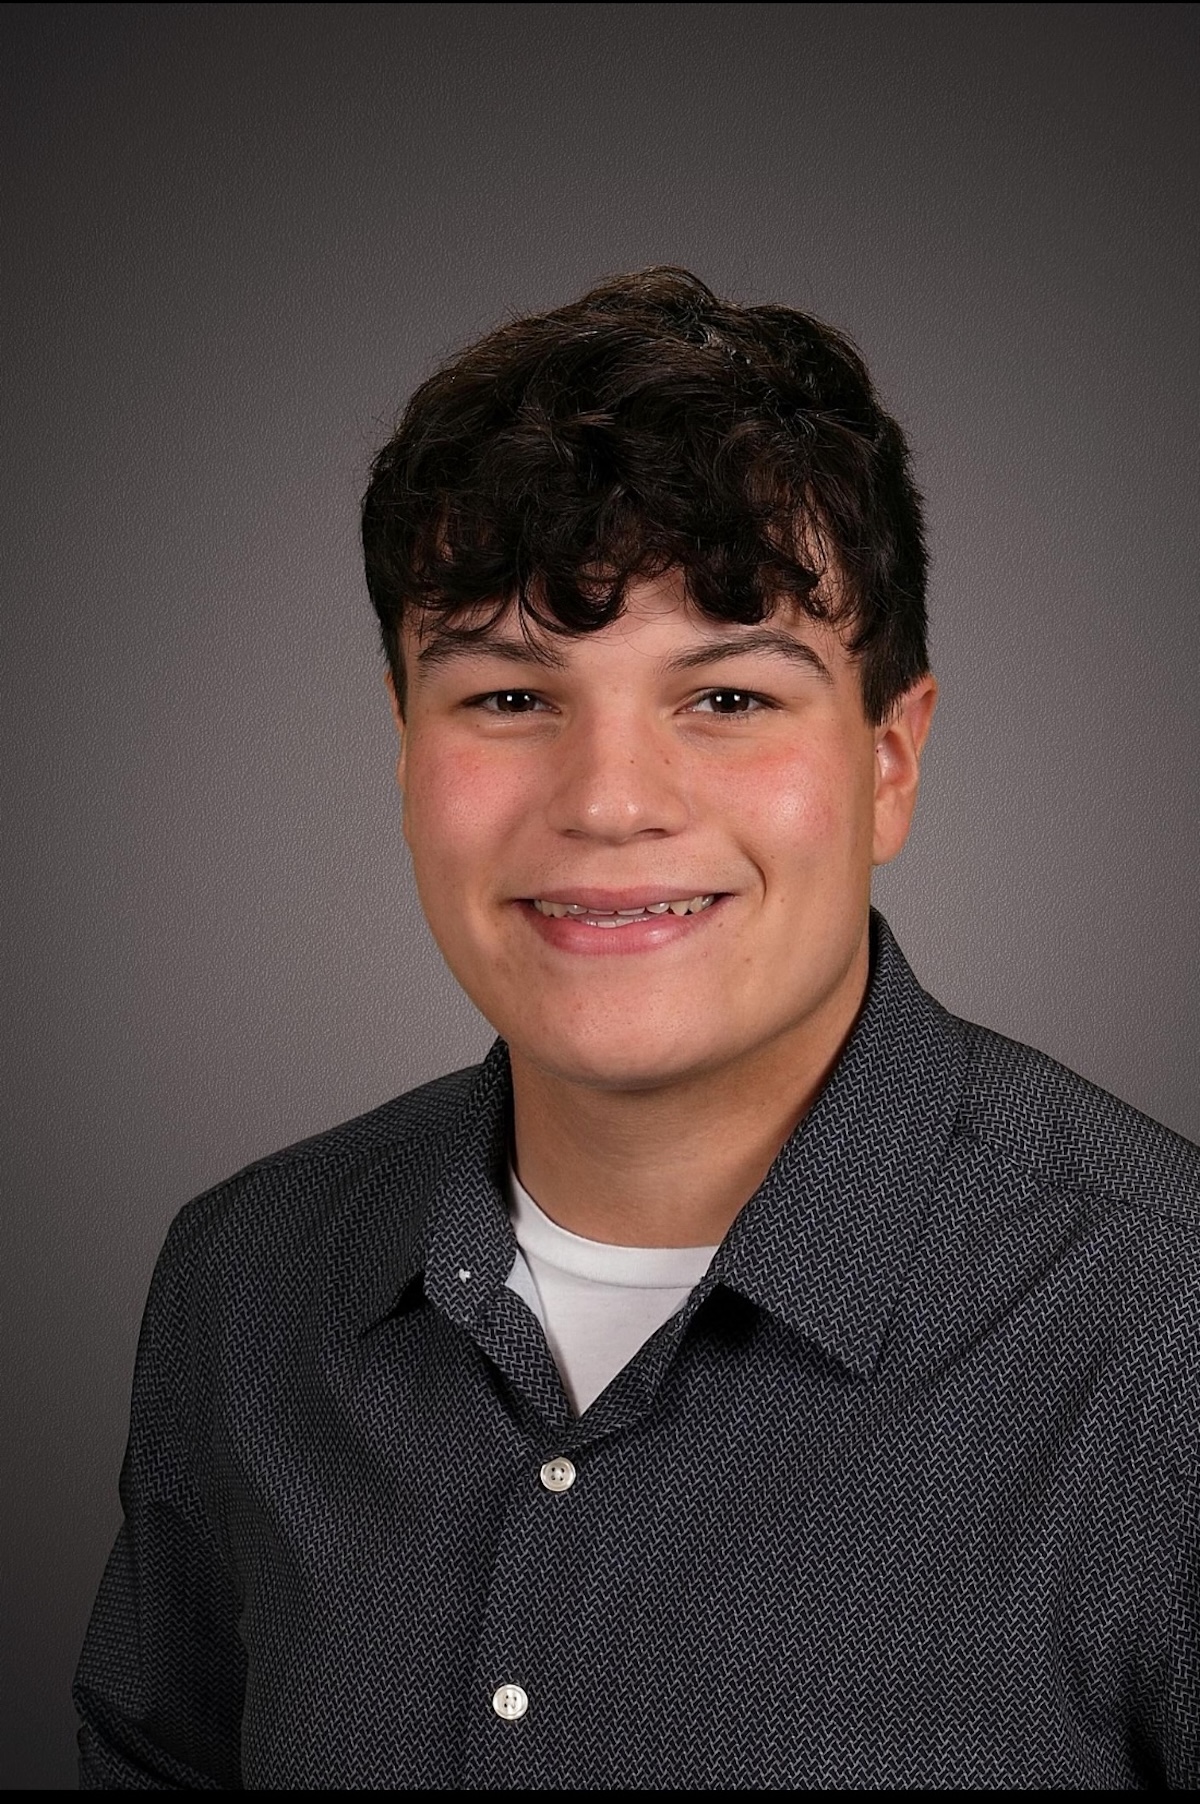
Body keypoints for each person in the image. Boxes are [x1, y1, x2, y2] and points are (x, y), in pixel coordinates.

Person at [74, 268, 1199, 1790]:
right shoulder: (243, 1285)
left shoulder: (1163, 1331)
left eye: (728, 698)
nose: (608, 801)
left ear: (888, 762)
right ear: (404, 753)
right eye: (510, 697)